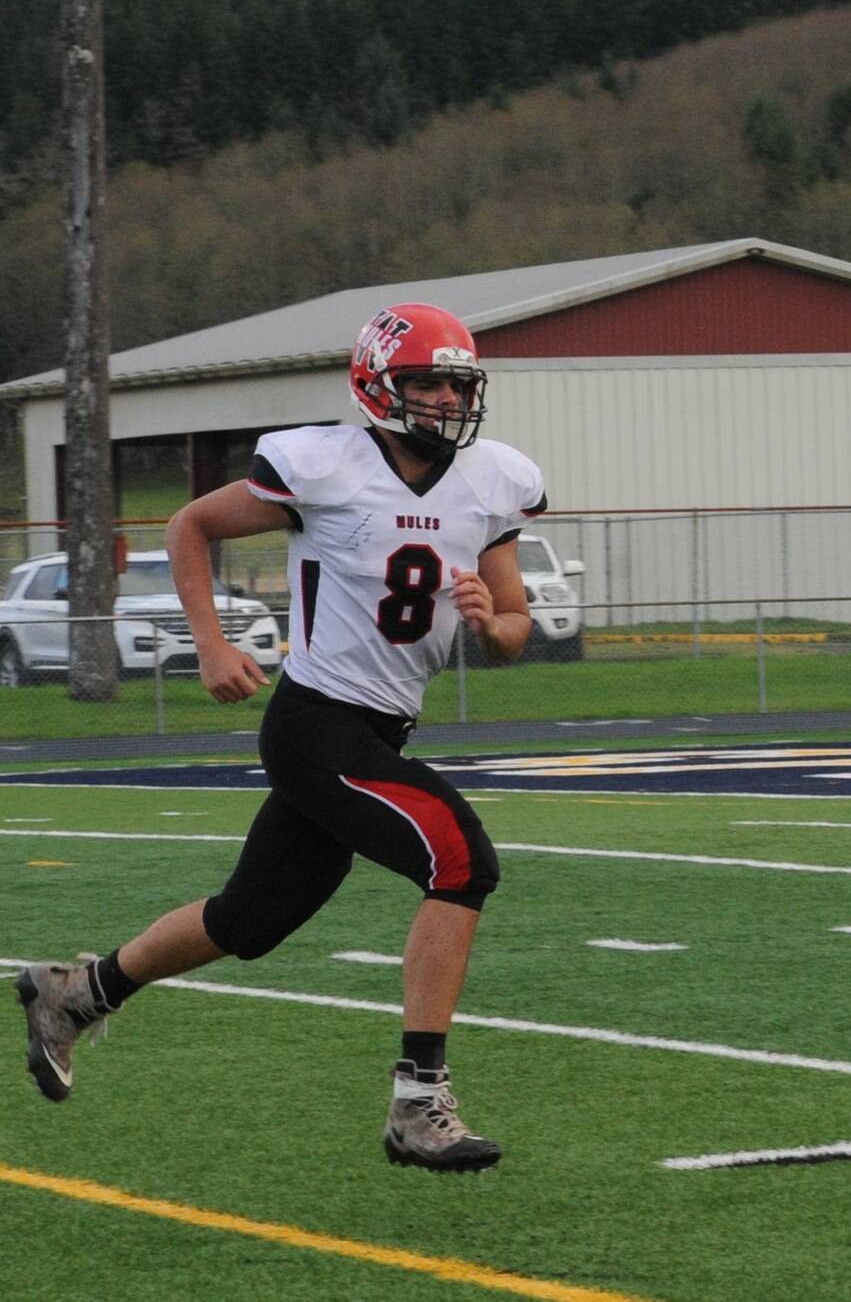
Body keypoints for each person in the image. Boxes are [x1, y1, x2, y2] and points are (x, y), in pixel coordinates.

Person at [15, 302, 544, 1173]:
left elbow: (518, 622)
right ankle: (418, 1102)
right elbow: (191, 525)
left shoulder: (494, 480)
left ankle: (77, 993)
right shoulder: (323, 464)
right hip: (315, 722)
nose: (447, 398)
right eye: (427, 381)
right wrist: (212, 642)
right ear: (379, 385)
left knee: (247, 919)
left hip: (379, 727)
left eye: (458, 382)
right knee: (460, 861)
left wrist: (494, 625)